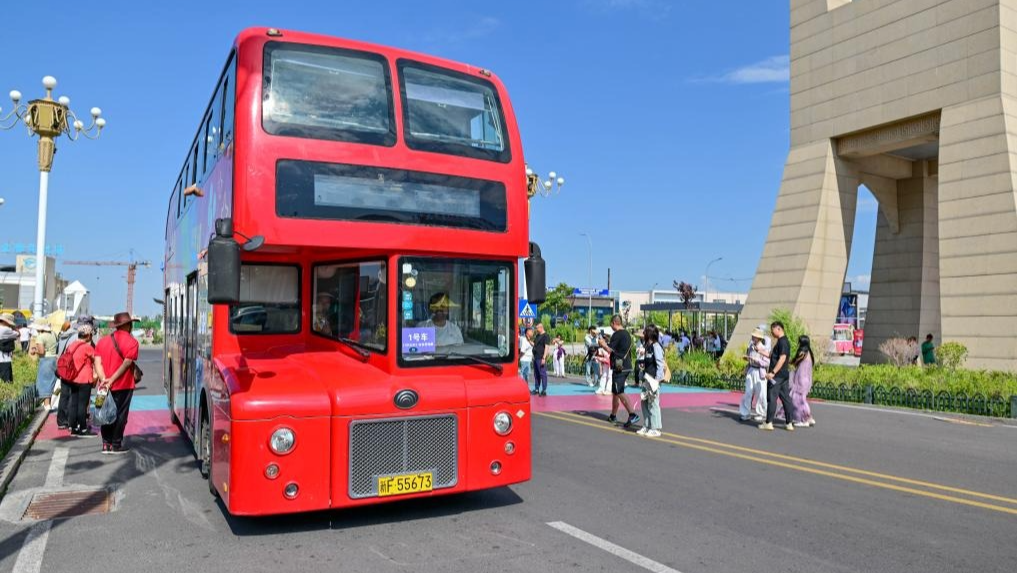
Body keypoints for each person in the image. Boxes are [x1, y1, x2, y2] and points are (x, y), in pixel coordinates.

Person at [95, 312, 142, 454]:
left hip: (103, 386)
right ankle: (116, 444)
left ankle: (105, 444)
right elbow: (127, 363)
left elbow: (97, 362)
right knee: (120, 414)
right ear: (128, 325)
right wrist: (113, 379)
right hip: (124, 384)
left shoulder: (102, 341)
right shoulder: (133, 343)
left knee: (104, 412)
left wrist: (104, 379)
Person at [64, 324, 106, 437]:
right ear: (87, 336)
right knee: (83, 404)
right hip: (84, 378)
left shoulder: (71, 345)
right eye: (91, 335)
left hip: (73, 378)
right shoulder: (87, 347)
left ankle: (73, 427)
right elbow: (97, 360)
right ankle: (83, 428)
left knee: (74, 403)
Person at [599, 314, 639, 428]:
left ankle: (632, 413)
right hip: (625, 365)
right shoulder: (626, 334)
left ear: (614, 323)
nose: (611, 326)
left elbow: (610, 349)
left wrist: (602, 344)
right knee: (615, 392)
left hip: (619, 366)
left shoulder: (617, 334)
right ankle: (613, 415)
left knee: (619, 390)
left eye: (611, 324)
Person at [761, 321, 796, 431]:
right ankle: (789, 423)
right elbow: (773, 356)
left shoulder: (783, 342)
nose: (772, 332)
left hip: (777, 376)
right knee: (786, 399)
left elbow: (782, 358)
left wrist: (773, 372)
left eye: (773, 330)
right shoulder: (781, 342)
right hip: (784, 375)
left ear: (779, 329)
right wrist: (761, 351)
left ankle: (769, 422)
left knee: (772, 398)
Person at [637, 324, 665, 437]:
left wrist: (658, 380)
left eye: (645, 332)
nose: (643, 334)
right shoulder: (647, 346)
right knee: (644, 401)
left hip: (653, 380)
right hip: (646, 378)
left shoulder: (656, 346)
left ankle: (655, 427)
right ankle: (647, 425)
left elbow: (660, 364)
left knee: (653, 403)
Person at [739, 327, 770, 422]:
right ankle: (745, 412)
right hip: (751, 369)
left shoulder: (764, 348)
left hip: (759, 371)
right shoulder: (751, 346)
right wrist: (748, 360)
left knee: (760, 393)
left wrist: (757, 360)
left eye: (755, 336)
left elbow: (767, 362)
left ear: (759, 338)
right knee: (748, 392)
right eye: (753, 336)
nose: (753, 337)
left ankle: (761, 413)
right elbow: (749, 358)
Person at [790, 335, 816, 427]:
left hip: (801, 379)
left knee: (798, 400)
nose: (798, 343)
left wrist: (787, 361)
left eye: (799, 341)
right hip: (806, 379)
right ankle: (808, 418)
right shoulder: (809, 353)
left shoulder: (803, 353)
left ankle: (803, 420)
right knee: (802, 400)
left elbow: (795, 362)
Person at [32, 322, 59, 411]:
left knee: (44, 382)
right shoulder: (53, 334)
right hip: (53, 359)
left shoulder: (41, 337)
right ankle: (48, 404)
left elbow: (42, 352)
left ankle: (46, 405)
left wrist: (35, 351)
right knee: (50, 381)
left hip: (46, 360)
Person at [531, 323, 550, 396]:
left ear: (541, 327)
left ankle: (544, 390)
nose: (536, 329)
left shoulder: (546, 336)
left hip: (541, 357)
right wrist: (529, 341)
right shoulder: (538, 336)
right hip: (536, 357)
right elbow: (535, 345)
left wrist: (544, 358)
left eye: (537, 328)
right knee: (536, 374)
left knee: (542, 374)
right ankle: (536, 389)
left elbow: (546, 347)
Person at [0, 313, 19, 383]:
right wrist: (13, 326)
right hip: (4, 360)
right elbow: (18, 333)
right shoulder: (6, 329)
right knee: (7, 382)